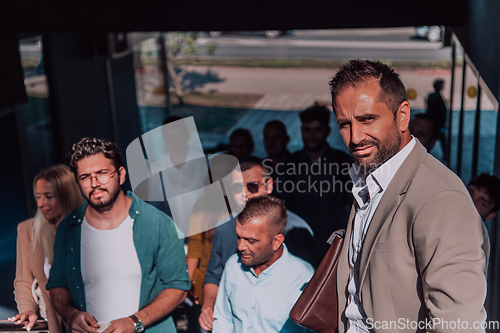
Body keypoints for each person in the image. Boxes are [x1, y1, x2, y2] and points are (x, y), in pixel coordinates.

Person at [329, 60, 488, 332]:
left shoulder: (441, 198)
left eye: (367, 119)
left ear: (402, 116)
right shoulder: (368, 178)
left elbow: (459, 323)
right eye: (345, 124)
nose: (355, 137)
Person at [46, 137, 191, 333]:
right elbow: (58, 285)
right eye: (85, 177)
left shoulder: (157, 224)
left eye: (102, 173)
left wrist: (135, 322)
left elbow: (178, 288)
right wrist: (71, 314)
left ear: (121, 175)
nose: (95, 183)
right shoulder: (68, 228)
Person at [198, 156, 317, 331]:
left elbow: (310, 290)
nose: (245, 193)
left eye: (252, 186)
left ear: (268, 185)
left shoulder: (298, 230)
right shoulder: (223, 230)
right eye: (237, 188)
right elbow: (214, 276)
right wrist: (208, 306)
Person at [212, 196, 314, 332]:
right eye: (239, 237)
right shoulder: (233, 265)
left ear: (276, 242)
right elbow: (223, 320)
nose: (241, 246)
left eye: (251, 240)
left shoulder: (304, 277)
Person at [10, 165, 84, 333]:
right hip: (56, 322)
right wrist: (27, 309)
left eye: (48, 196)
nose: (41, 203)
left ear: (66, 196)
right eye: (38, 196)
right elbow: (23, 279)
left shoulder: (88, 226)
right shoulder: (28, 230)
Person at [275, 104, 353, 259]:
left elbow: (354, 207)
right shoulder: (289, 164)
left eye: (317, 130)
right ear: (301, 131)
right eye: (307, 130)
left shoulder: (343, 162)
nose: (311, 136)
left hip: (334, 250)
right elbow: (280, 208)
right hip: (297, 249)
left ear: (327, 131)